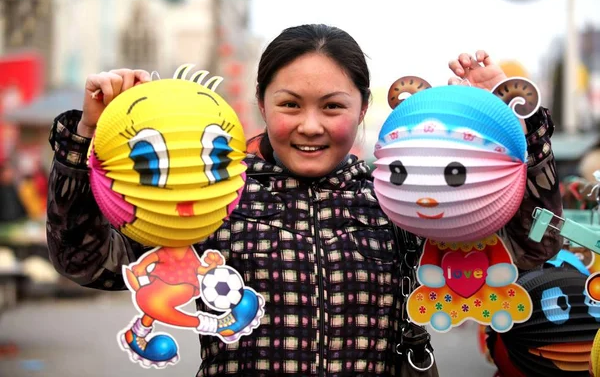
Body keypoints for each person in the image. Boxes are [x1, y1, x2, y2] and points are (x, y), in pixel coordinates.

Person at [45, 23, 562, 376]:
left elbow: (532, 246)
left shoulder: (403, 199)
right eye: (289, 104)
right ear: (263, 106)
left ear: (362, 111)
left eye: (333, 106)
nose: (310, 126)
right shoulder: (210, 197)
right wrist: (86, 137)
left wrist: (520, 129)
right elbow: (89, 262)